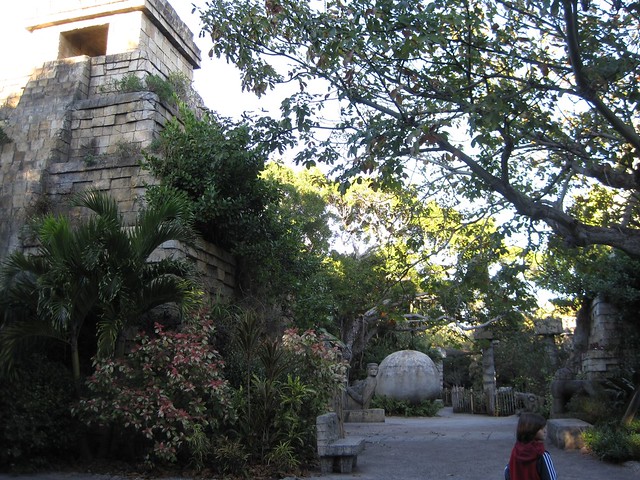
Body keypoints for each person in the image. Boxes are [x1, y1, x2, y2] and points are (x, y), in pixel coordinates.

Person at [504, 412, 558, 480]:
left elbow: (507, 471)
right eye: (541, 429)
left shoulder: (516, 450)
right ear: (531, 430)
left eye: (545, 428)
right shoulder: (542, 454)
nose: (545, 431)